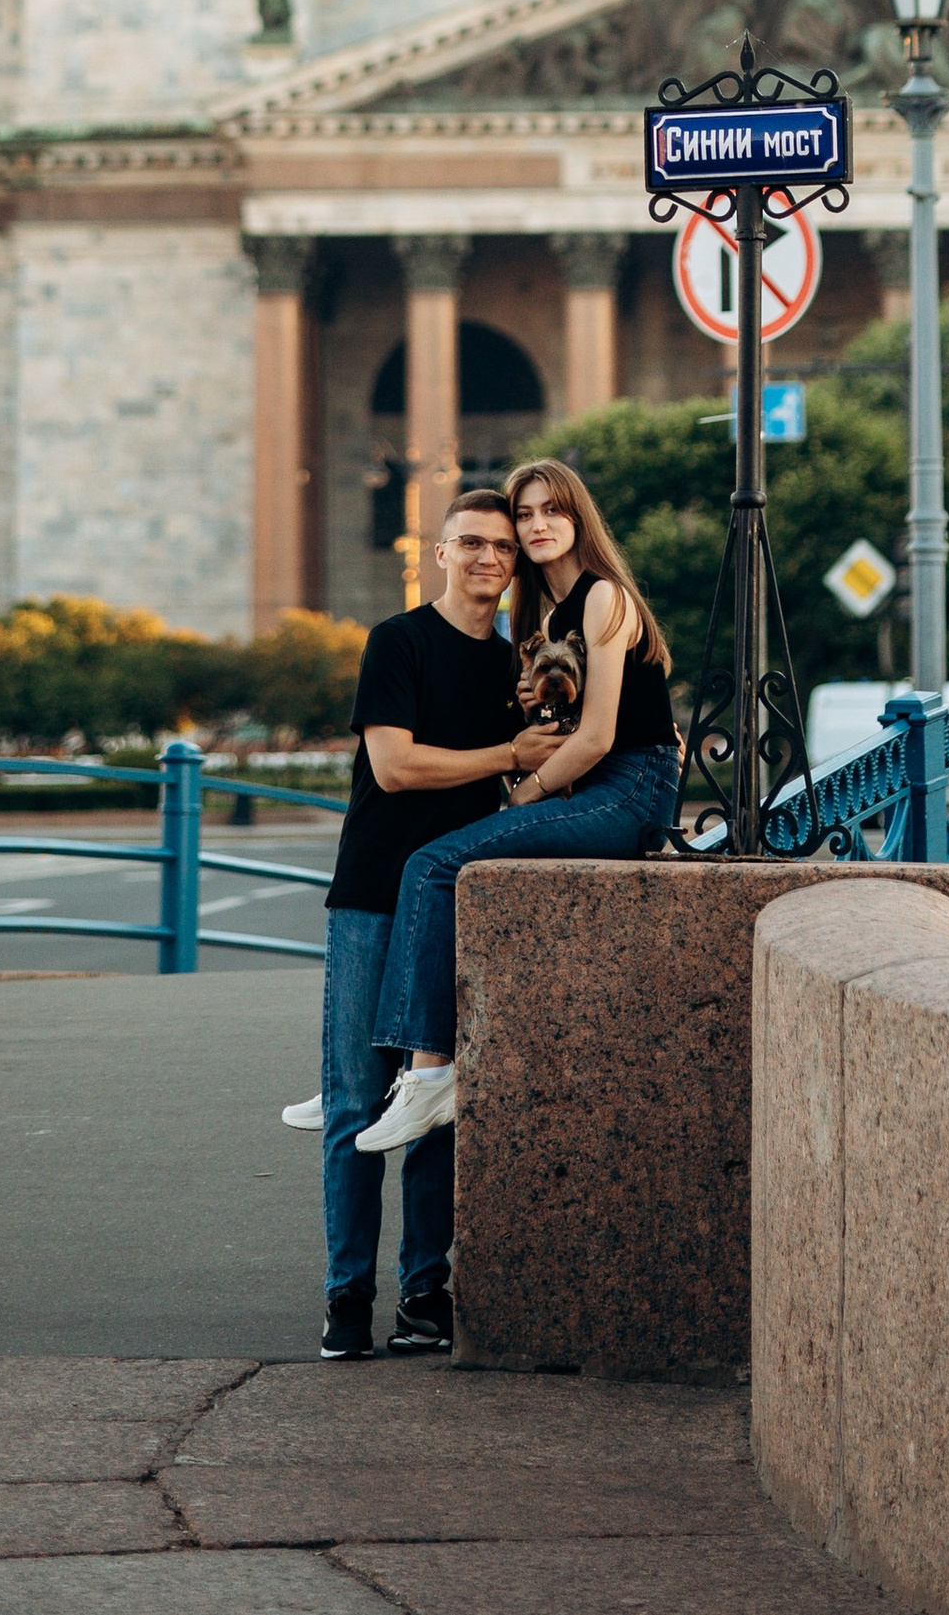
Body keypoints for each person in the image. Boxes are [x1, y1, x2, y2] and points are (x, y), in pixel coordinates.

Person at [355, 456, 681, 1159]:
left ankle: (429, 1072)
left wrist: (521, 790)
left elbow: (597, 737)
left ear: (577, 518)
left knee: (436, 862)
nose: (535, 526)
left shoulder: (601, 595)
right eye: (523, 514)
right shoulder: (547, 613)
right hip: (600, 784)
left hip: (628, 786)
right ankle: (400, 1073)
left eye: (550, 512)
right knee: (441, 859)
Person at [315, 489, 564, 1361]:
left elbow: (548, 774)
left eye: (503, 545)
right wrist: (508, 755)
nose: (490, 556)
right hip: (375, 892)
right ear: (441, 553)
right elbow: (394, 767)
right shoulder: (398, 640)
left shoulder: (520, 668)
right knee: (355, 1098)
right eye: (471, 542)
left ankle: (425, 1293)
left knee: (433, 1108)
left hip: (460, 902)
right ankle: (347, 1295)